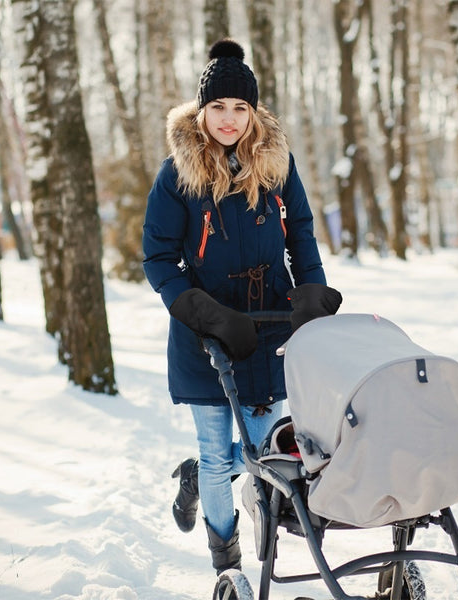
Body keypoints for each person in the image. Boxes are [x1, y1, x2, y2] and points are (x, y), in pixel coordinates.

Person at [142, 38, 342, 576]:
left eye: (239, 108)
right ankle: (224, 558)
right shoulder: (177, 174)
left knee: (266, 453)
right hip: (205, 331)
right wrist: (203, 314)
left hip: (269, 327)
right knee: (216, 454)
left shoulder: (278, 165)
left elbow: (299, 232)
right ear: (201, 111)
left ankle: (208, 485)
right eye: (218, 108)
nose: (228, 119)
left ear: (253, 113)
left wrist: (311, 291)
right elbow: (158, 257)